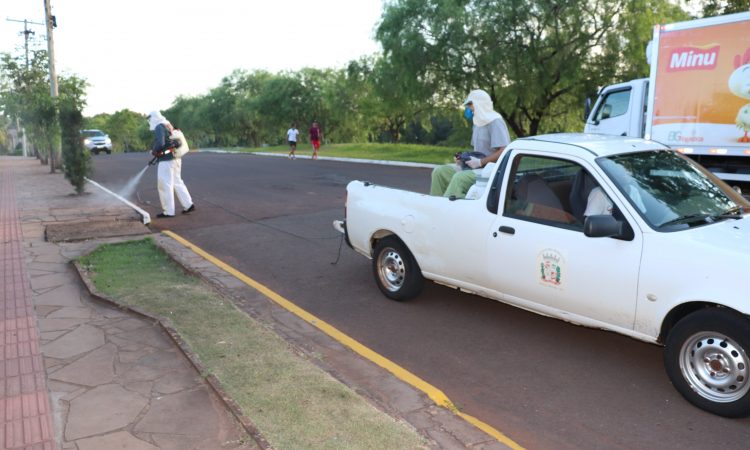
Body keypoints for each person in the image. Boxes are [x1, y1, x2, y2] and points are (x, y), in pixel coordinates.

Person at [430, 89, 511, 198]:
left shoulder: (495, 121)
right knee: (439, 172)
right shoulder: (477, 122)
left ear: (480, 104)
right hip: (475, 168)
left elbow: (503, 151)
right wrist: (463, 158)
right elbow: (477, 152)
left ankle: (451, 211)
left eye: (470, 104)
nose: (468, 108)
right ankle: (435, 206)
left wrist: (480, 162)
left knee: (459, 178)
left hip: (490, 170)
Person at [148, 110, 195, 218]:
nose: (149, 121)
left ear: (154, 118)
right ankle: (188, 205)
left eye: (150, 118)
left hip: (166, 160)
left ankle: (168, 211)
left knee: (165, 184)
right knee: (177, 181)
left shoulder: (159, 126)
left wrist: (154, 151)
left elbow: (161, 142)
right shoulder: (167, 124)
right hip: (176, 158)